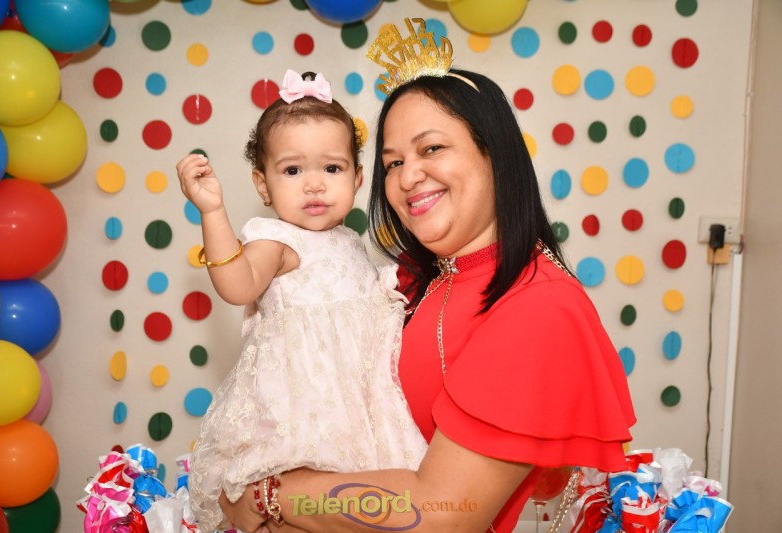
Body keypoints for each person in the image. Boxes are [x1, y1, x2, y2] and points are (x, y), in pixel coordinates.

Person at [216, 18, 636, 533]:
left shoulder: (540, 307)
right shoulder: (413, 281)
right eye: (392, 162)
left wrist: (270, 496)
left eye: (431, 148)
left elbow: (439, 513)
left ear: (496, 154)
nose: (407, 176)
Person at [175, 69, 428, 533]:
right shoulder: (276, 241)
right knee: (299, 509)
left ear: (357, 178)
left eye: (332, 168)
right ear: (262, 184)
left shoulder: (352, 242)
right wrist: (212, 212)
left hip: (365, 409)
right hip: (303, 411)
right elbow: (238, 285)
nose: (314, 184)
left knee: (365, 508)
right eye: (293, 170)